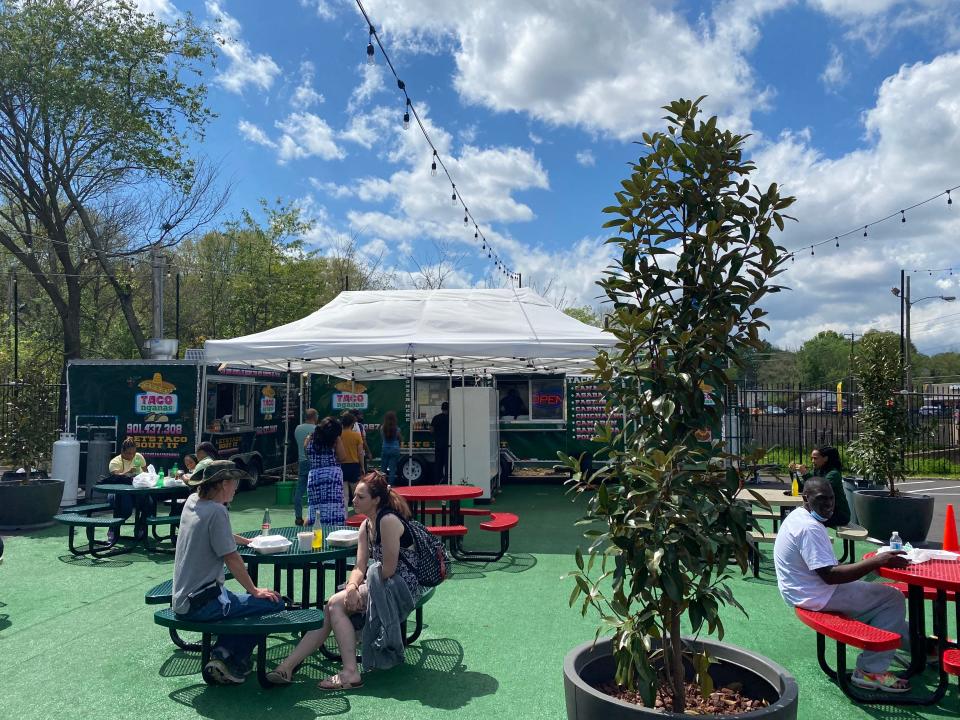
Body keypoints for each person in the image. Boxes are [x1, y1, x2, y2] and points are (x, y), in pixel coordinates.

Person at [266, 473, 422, 689]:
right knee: (331, 605)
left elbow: (388, 570)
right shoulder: (366, 525)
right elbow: (359, 566)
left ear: (376, 500)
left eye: (360, 497)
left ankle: (349, 673)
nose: (353, 501)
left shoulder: (387, 521)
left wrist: (357, 590)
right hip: (382, 583)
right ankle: (287, 667)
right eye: (355, 496)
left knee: (334, 604)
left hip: (402, 587)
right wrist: (351, 588)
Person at [773, 477, 912, 693]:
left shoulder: (798, 517)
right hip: (816, 595)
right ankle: (869, 670)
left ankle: (923, 647)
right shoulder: (808, 528)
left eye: (831, 499)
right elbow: (830, 575)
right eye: (821, 499)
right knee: (891, 598)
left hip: (802, 590)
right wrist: (877, 561)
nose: (828, 505)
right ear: (805, 499)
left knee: (880, 604)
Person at [172, 460, 284, 685]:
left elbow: (217, 534)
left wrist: (245, 540)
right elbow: (231, 558)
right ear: (223, 484)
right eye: (234, 484)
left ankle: (227, 653)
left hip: (182, 599)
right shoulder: (217, 511)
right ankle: (228, 657)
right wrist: (254, 590)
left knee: (246, 603)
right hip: (203, 602)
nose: (236, 488)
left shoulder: (193, 501)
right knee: (274, 602)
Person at [789, 446, 850, 528]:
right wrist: (793, 473)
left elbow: (818, 489)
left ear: (825, 458)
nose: (812, 461)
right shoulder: (817, 471)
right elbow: (802, 488)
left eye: (815, 458)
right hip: (823, 511)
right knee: (799, 517)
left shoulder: (834, 474)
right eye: (812, 458)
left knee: (806, 521)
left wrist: (805, 473)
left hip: (838, 515)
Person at [105, 437, 151, 536]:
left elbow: (146, 473)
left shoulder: (138, 457)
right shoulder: (115, 462)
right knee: (126, 509)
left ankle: (140, 527)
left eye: (133, 453)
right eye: (129, 453)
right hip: (119, 492)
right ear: (122, 451)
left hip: (136, 491)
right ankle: (113, 529)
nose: (132, 455)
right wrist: (129, 472)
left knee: (150, 503)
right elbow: (116, 476)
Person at [306, 417, 346, 526]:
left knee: (314, 506)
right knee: (333, 505)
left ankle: (313, 529)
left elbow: (307, 453)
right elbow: (342, 457)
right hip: (332, 475)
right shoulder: (335, 439)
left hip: (314, 475)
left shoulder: (311, 438)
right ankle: (334, 529)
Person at [293, 409, 319, 526]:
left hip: (302, 461)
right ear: (314, 417)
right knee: (315, 490)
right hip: (314, 461)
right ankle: (314, 515)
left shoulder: (298, 428)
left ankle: (298, 517)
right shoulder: (316, 429)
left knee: (299, 490)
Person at [339, 411, 365, 501]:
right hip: (354, 466)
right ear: (352, 424)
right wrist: (362, 467)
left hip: (341, 466)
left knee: (344, 496)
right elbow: (360, 453)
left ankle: (345, 514)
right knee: (356, 494)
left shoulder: (339, 435)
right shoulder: (357, 436)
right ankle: (358, 514)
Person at [380, 410, 402, 484]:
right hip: (395, 449)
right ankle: (390, 487)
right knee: (392, 470)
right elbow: (399, 439)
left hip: (385, 448)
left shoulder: (382, 428)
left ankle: (382, 485)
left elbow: (382, 438)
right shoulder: (397, 429)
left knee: (383, 469)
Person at [430, 401, 450, 483]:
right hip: (448, 445)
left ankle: (437, 480)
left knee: (438, 463)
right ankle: (446, 480)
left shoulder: (436, 418)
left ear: (441, 408)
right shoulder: (450, 418)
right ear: (448, 409)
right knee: (447, 463)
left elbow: (431, 430)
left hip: (438, 444)